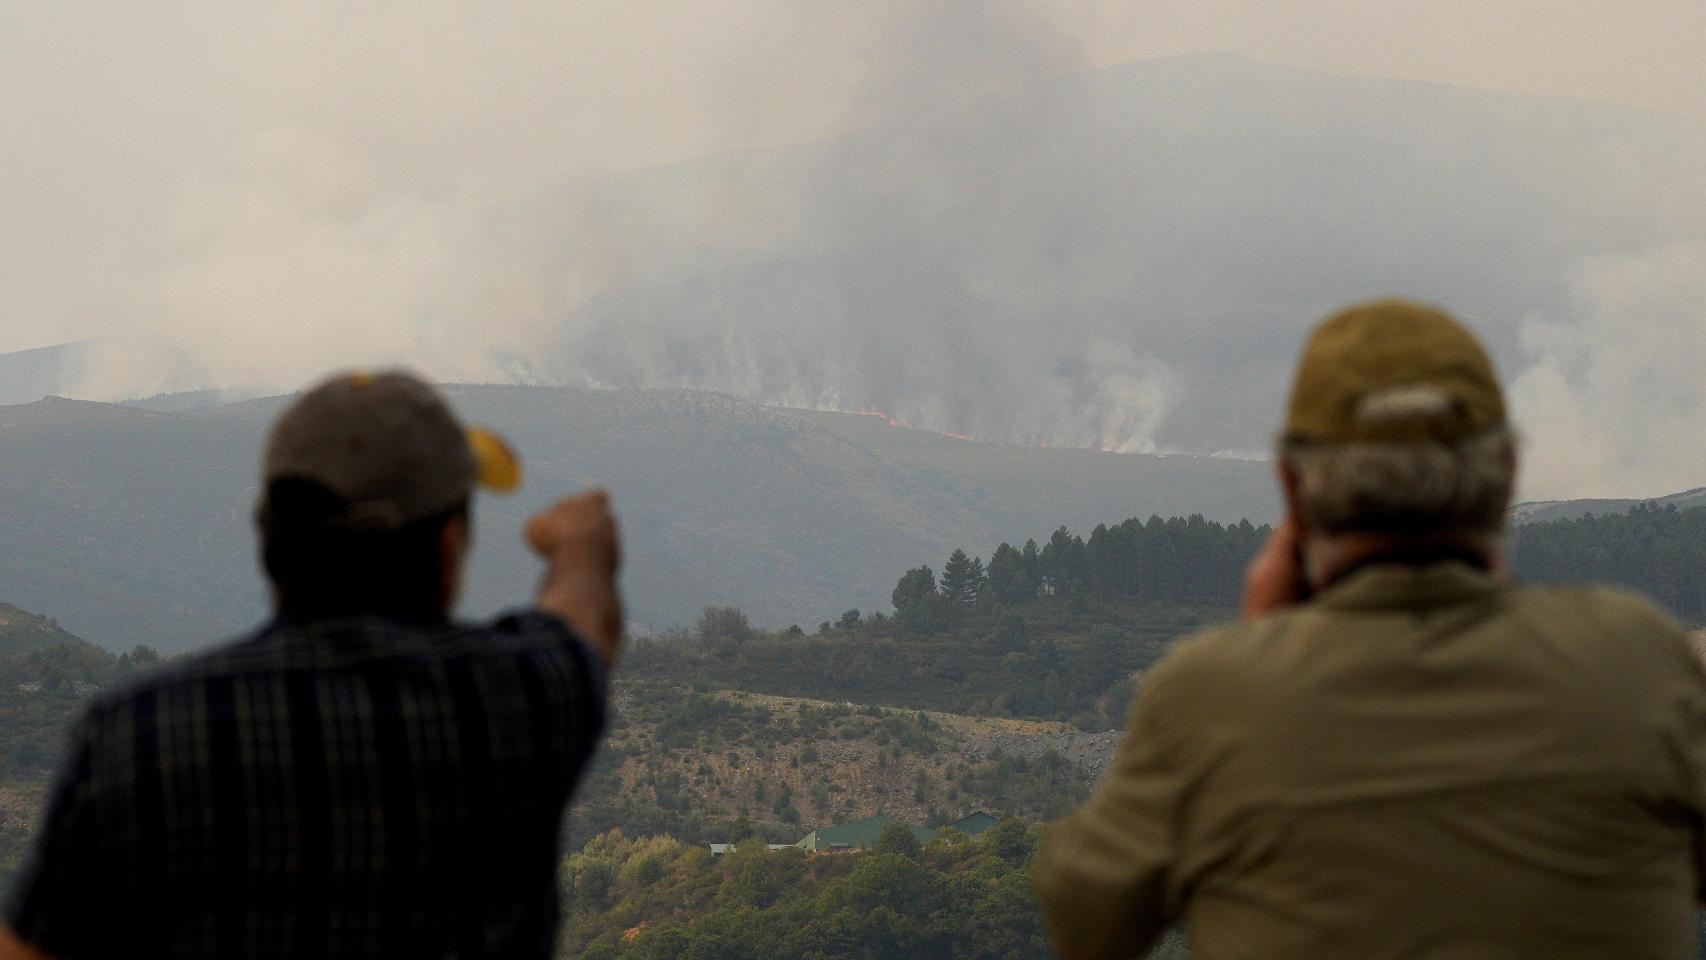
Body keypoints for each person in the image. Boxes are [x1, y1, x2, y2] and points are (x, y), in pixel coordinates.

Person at [1034, 300, 1706, 959]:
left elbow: (1082, 920)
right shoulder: (1638, 660)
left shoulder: (1208, 694)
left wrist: (1261, 652)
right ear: (1506, 475)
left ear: (1292, 486)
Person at [1, 372, 623, 960]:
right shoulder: (513, 699)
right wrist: (581, 542)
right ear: (448, 546)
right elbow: (586, 618)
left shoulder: (136, 735)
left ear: (270, 538)